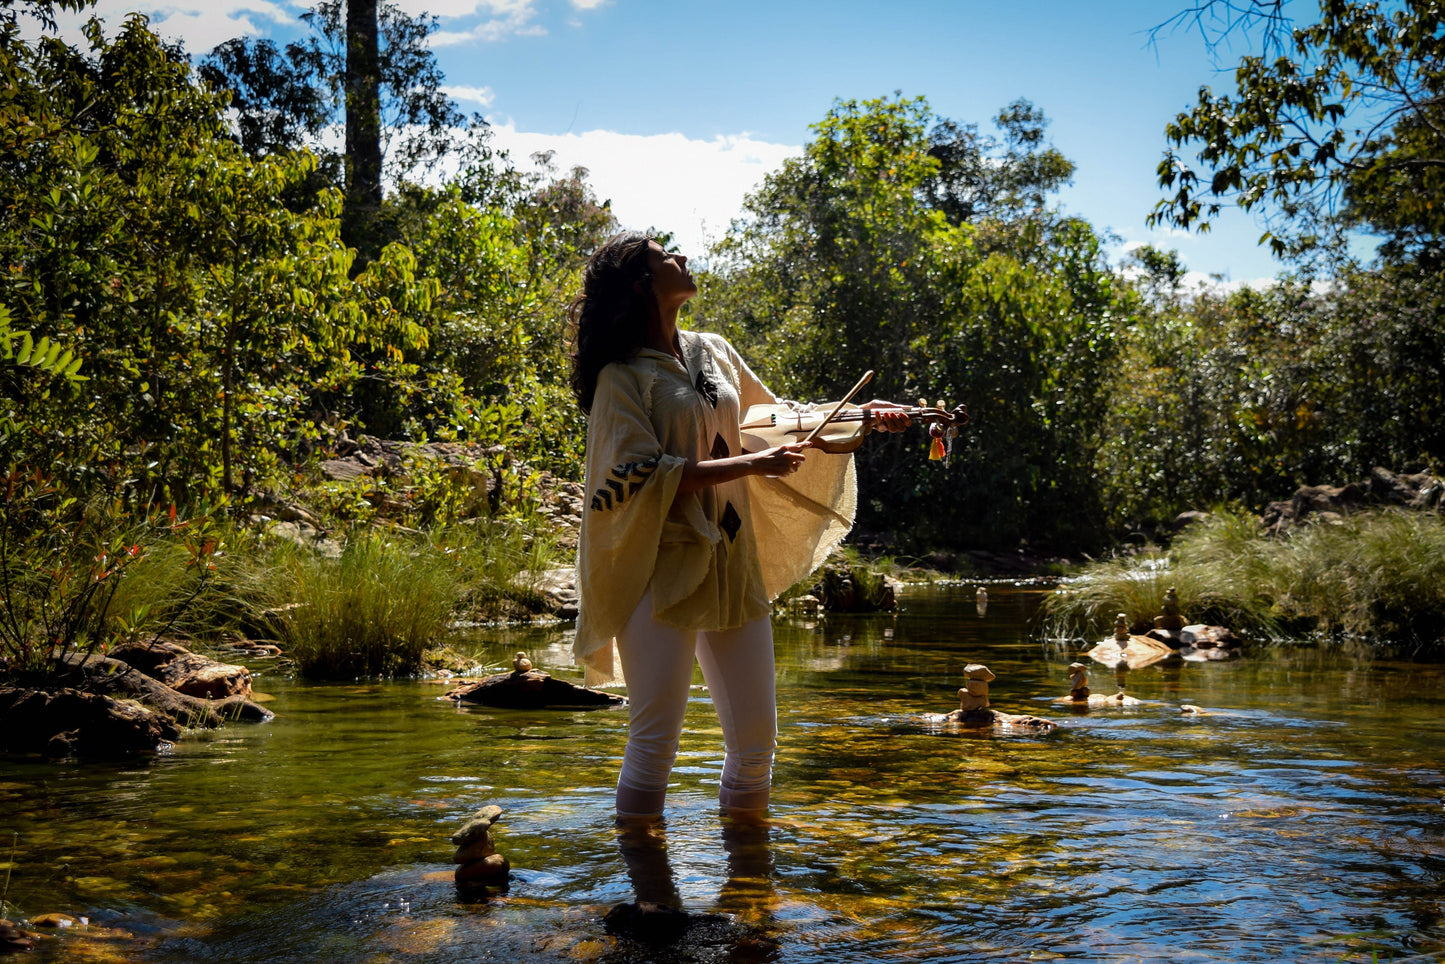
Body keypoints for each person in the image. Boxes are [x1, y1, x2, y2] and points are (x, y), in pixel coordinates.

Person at [569, 231, 909, 819]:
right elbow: (631, 473)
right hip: (658, 565)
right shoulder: (620, 377)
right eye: (665, 258)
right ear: (640, 283)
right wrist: (752, 463)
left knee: (756, 747)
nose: (682, 259)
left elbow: (775, 422)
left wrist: (861, 419)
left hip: (731, 555)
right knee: (655, 743)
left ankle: (751, 895)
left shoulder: (713, 350)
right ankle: (650, 899)